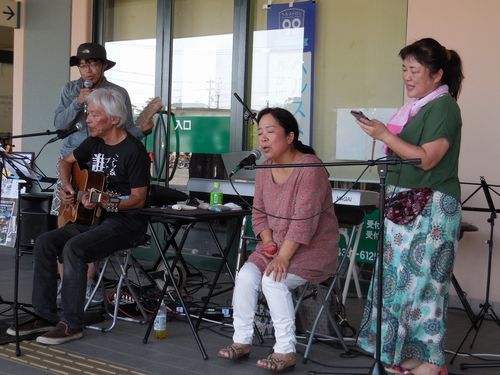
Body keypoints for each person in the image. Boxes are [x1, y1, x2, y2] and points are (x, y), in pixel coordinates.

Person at [7, 88, 151, 344]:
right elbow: (65, 161)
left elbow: (138, 198)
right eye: (89, 114)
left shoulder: (134, 151)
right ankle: (45, 315)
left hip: (126, 222)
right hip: (92, 218)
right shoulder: (94, 143)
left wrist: (107, 201)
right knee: (45, 242)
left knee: (74, 248)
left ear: (114, 120)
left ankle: (72, 323)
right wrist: (67, 186)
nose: (88, 120)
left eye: (95, 115)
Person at [356, 38, 464, 375]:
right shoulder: (418, 108)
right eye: (404, 69)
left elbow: (427, 159)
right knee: (398, 287)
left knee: (423, 289)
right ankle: (408, 360)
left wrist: (385, 135)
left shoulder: (443, 107)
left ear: (437, 74)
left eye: (414, 70)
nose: (407, 76)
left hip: (430, 208)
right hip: (406, 205)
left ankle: (430, 362)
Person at [217, 107, 339, 372]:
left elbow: (304, 220)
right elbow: (258, 214)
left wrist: (284, 256)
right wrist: (270, 243)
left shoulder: (310, 167)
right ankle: (242, 340)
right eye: (260, 133)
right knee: (247, 275)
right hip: (275, 247)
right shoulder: (264, 169)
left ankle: (285, 351)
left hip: (311, 250)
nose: (263, 139)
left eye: (270, 132)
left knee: (273, 280)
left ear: (290, 136)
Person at [50, 42, 161, 303]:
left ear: (103, 66)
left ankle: (86, 283)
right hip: (71, 162)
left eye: (92, 64)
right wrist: (78, 104)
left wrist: (142, 131)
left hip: (100, 164)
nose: (87, 70)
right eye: (82, 65)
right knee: (64, 221)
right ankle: (65, 284)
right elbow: (58, 124)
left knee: (91, 224)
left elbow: (124, 134)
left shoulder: (116, 93)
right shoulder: (70, 90)